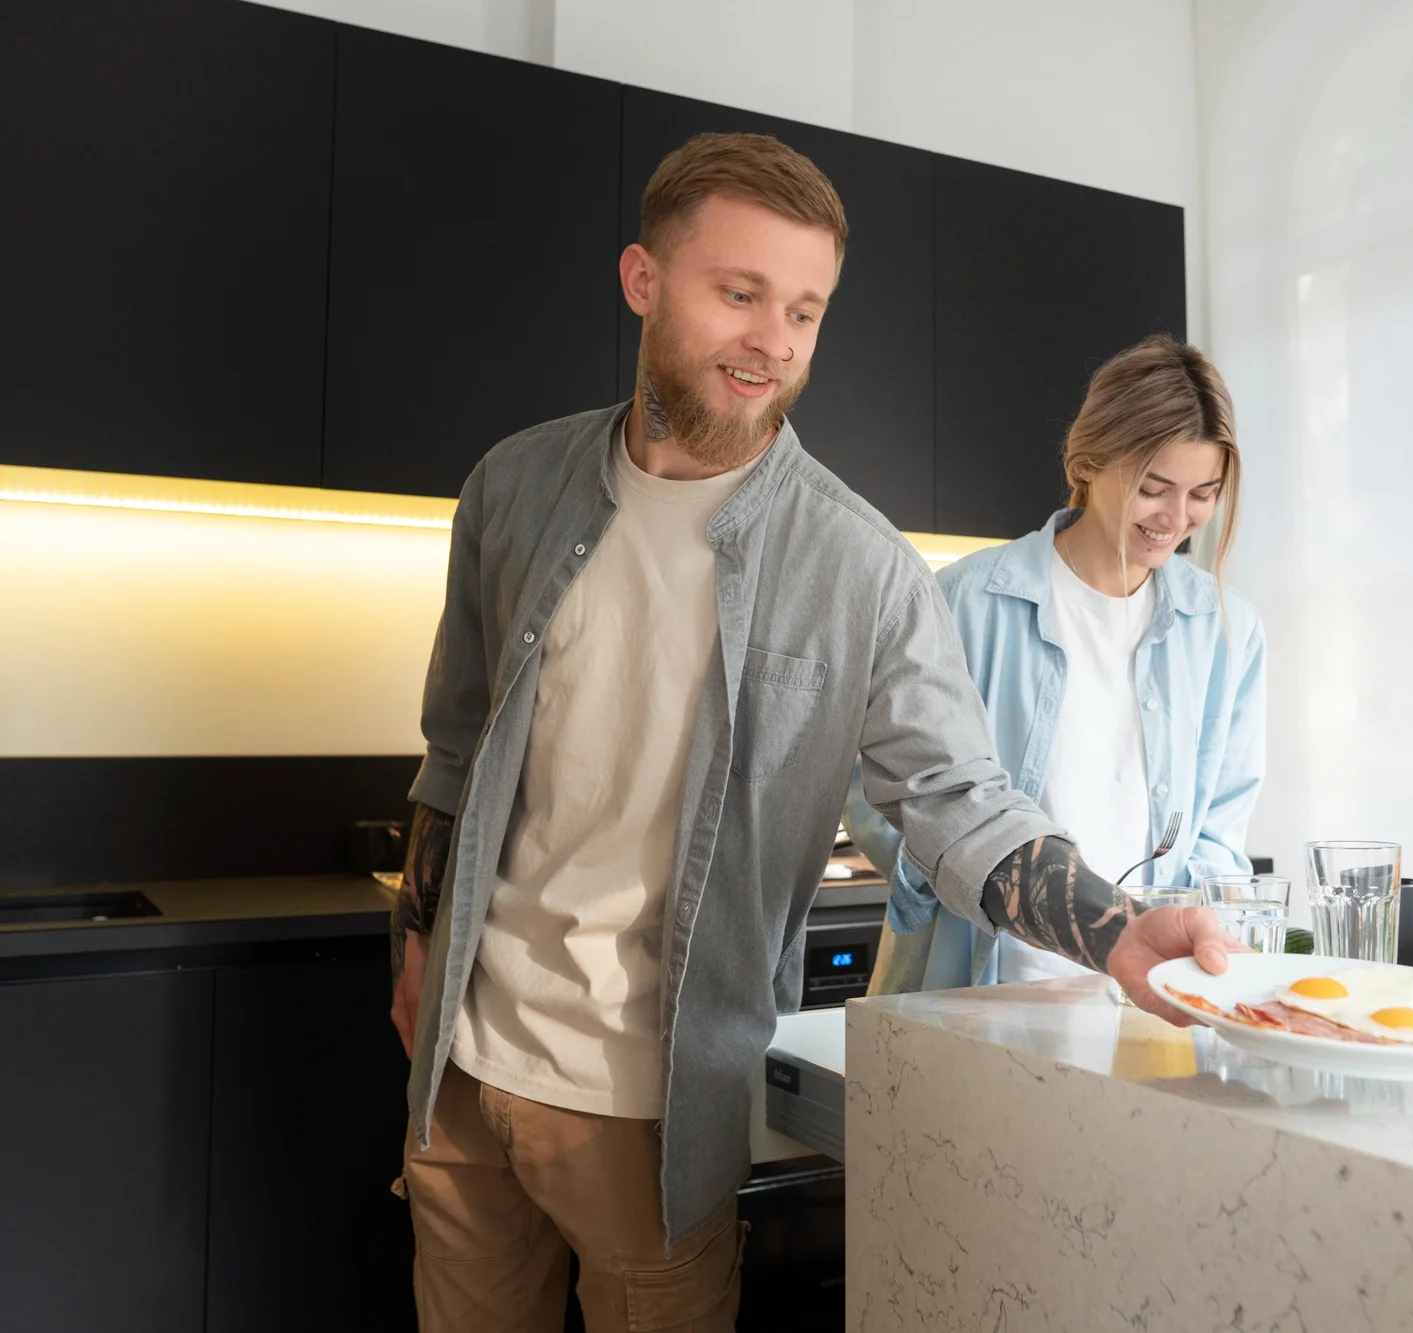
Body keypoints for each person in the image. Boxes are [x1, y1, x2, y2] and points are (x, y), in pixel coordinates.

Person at [382, 132, 1233, 1333]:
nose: (773, 341)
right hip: (462, 1082)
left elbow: (959, 799)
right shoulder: (513, 488)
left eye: (804, 309)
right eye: (738, 294)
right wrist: (416, 939)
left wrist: (1115, 929)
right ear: (641, 281)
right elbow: (457, 744)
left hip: (653, 1115)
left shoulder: (862, 568)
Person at [853, 336, 1266, 994]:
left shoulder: (1226, 629)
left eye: (1202, 494)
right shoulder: (964, 599)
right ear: (1091, 458)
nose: (1176, 518)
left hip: (1145, 992)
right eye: (1153, 488)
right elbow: (879, 795)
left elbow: (1221, 826)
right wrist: (956, 872)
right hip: (975, 985)